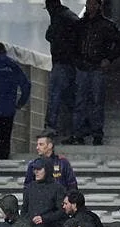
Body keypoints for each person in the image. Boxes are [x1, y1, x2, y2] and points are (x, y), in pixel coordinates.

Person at [67, 0, 120, 147]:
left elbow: (119, 43)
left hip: (96, 67)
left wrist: (108, 59)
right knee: (82, 102)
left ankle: (95, 133)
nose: (90, 6)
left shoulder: (105, 25)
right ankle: (79, 133)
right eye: (89, 3)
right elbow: (72, 44)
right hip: (84, 67)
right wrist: (77, 60)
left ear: (98, 6)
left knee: (95, 102)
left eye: (93, 4)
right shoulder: (81, 25)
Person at [0, 43, 30, 162]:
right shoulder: (13, 66)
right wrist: (20, 103)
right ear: (5, 52)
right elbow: (26, 85)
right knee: (4, 140)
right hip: (7, 110)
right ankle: (2, 164)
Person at [43, 0, 80, 137]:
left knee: (55, 95)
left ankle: (52, 125)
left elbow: (50, 36)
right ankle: (74, 128)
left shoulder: (59, 18)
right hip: (70, 62)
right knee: (69, 97)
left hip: (61, 61)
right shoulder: (69, 17)